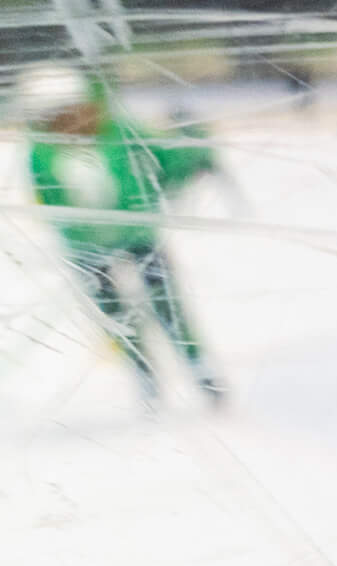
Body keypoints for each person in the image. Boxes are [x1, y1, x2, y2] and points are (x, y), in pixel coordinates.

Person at [18, 63, 226, 408]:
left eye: (78, 111)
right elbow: (48, 200)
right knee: (116, 317)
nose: (75, 123)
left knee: (168, 306)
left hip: (138, 236)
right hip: (88, 250)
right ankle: (144, 375)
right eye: (58, 118)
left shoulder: (122, 132)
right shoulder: (41, 154)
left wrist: (195, 154)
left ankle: (198, 368)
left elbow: (165, 158)